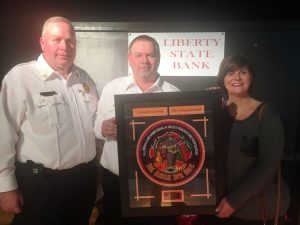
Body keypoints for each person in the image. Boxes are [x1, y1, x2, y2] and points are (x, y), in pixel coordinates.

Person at [0, 16, 99, 225]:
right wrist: (5, 186)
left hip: (83, 183)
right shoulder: (20, 78)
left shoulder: (85, 79)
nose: (65, 46)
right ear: (42, 43)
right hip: (41, 185)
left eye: (71, 41)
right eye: (57, 40)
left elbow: (95, 123)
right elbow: (3, 134)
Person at [94, 35, 180, 225]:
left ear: (158, 58)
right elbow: (96, 123)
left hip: (159, 183)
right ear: (129, 58)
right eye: (139, 55)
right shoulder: (112, 88)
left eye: (150, 55)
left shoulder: (174, 93)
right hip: (117, 184)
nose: (144, 61)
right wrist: (102, 127)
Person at [202, 54, 290, 225]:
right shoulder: (217, 112)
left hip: (257, 210)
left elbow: (268, 164)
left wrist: (234, 201)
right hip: (221, 208)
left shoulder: (266, 113)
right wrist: (206, 103)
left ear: (252, 76)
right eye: (230, 73)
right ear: (222, 79)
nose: (236, 77)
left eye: (243, 72)